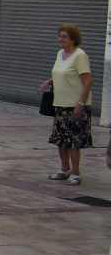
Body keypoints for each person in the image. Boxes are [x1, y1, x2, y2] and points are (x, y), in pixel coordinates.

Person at [44, 24, 93, 186]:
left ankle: (75, 173)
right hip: (60, 104)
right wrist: (50, 81)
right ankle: (64, 169)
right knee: (60, 140)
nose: (60, 39)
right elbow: (63, 73)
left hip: (75, 105)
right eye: (59, 36)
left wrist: (81, 103)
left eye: (64, 36)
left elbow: (88, 81)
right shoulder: (60, 53)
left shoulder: (80, 55)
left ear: (73, 39)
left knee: (73, 141)